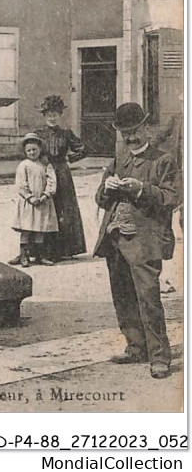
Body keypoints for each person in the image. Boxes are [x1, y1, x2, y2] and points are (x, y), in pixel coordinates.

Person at [94, 102, 182, 379]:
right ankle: (136, 346)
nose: (130, 138)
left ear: (145, 127)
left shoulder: (163, 160)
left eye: (133, 131)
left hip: (146, 241)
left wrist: (142, 189)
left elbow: (173, 198)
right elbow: (99, 198)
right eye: (124, 133)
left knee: (148, 298)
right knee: (122, 295)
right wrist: (107, 189)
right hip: (115, 238)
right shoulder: (120, 159)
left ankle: (160, 356)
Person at [36, 95, 87, 261]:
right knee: (44, 208)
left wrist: (69, 159)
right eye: (49, 115)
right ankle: (39, 250)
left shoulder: (66, 134)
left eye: (55, 114)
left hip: (62, 174)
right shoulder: (38, 134)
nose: (52, 118)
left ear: (60, 116)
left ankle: (62, 250)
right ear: (44, 116)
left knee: (63, 208)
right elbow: (27, 149)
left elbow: (84, 149)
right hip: (44, 172)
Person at [11, 133, 59, 267]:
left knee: (40, 229)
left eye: (34, 149)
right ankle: (23, 255)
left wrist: (45, 195)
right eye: (29, 150)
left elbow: (52, 181)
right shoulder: (24, 165)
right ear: (25, 152)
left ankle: (40, 256)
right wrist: (30, 197)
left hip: (43, 202)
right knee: (26, 229)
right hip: (28, 203)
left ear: (40, 150)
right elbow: (21, 184)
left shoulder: (45, 165)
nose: (32, 152)